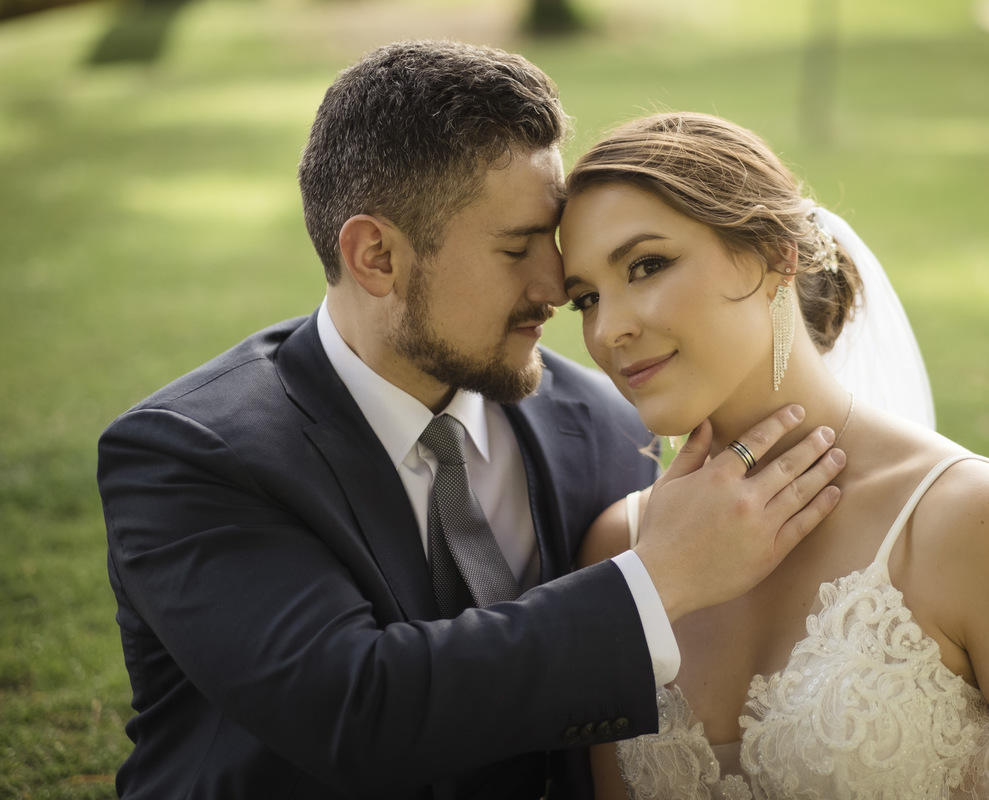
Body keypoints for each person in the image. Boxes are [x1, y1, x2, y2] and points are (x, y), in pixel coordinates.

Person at [95, 44, 847, 800]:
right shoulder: (192, 455)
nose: (555, 285)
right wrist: (655, 581)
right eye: (517, 247)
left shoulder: (607, 426)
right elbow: (354, 711)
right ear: (376, 257)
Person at [559, 111, 989, 799]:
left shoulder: (969, 523)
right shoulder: (619, 547)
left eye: (647, 265)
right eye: (584, 299)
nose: (609, 329)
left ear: (774, 255)